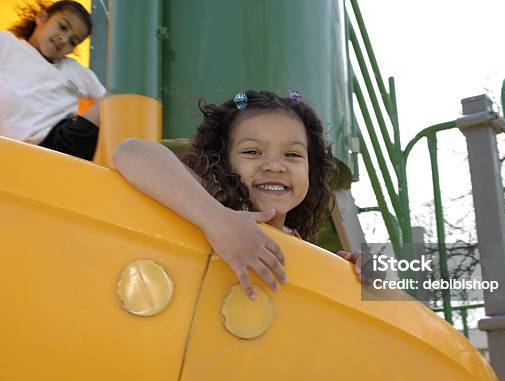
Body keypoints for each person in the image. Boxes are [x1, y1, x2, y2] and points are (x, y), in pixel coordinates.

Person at [115, 90, 362, 299]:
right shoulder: (212, 204)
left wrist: (348, 270)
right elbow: (131, 151)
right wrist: (217, 220)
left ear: (312, 169)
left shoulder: (296, 243)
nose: (275, 166)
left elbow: (391, 300)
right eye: (253, 152)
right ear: (222, 161)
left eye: (293, 154)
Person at [0, 0, 106, 160]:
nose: (64, 39)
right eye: (62, 27)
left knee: (110, 102)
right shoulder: (8, 44)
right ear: (42, 18)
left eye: (73, 41)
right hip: (12, 146)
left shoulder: (72, 69)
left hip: (60, 142)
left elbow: (107, 98)